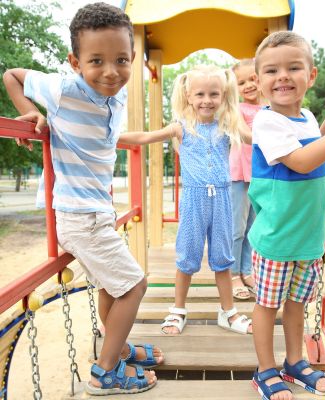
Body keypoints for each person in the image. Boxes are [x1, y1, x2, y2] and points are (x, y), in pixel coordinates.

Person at [2, 2, 179, 395]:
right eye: (96, 60)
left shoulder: (115, 97)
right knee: (134, 286)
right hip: (80, 214)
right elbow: (11, 74)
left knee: (111, 287)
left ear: (132, 58)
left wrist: (160, 134)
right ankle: (105, 371)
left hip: (96, 211)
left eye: (120, 60)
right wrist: (30, 113)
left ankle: (119, 348)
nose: (110, 71)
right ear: (75, 62)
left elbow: (115, 140)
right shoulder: (64, 88)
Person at [249, 31, 325, 400]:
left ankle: (294, 361)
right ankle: (265, 369)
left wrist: (321, 130)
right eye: (271, 70)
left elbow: (305, 146)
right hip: (277, 235)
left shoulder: (304, 115)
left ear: (312, 75)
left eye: (293, 67)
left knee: (297, 303)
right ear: (258, 81)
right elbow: (302, 162)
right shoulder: (266, 120)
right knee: (268, 305)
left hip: (306, 236)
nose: (282, 76)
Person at [159, 64, 253, 335]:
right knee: (187, 256)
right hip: (193, 199)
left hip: (222, 198)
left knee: (223, 259)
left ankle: (228, 312)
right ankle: (178, 310)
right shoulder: (181, 128)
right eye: (200, 94)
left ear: (223, 95)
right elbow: (145, 138)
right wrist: (107, 138)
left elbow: (254, 138)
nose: (207, 100)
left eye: (214, 94)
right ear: (188, 95)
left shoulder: (228, 125)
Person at [230, 59, 262, 300]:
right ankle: (232, 274)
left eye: (253, 78)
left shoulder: (270, 108)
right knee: (237, 227)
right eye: (242, 82)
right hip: (239, 172)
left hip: (260, 173)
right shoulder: (237, 109)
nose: (249, 85)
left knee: (253, 226)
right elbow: (244, 134)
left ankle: (246, 270)